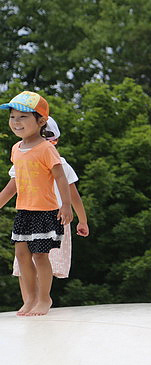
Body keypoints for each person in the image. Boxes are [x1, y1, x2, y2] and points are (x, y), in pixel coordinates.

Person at [0, 117, 89, 316]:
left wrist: (81, 219)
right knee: (22, 261)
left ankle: (42, 299)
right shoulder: (20, 153)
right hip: (27, 212)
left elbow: (73, 195)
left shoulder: (59, 162)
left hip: (54, 216)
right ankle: (30, 301)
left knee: (41, 258)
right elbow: (11, 188)